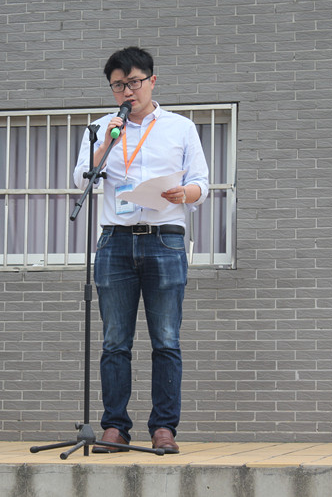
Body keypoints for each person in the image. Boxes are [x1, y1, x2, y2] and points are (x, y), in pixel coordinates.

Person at [73, 46, 209, 454]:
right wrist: (107, 142)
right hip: (115, 240)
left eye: (133, 82)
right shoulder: (101, 128)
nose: (127, 91)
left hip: (164, 239)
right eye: (118, 86)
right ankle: (115, 427)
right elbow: (82, 178)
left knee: (165, 339)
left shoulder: (180, 127)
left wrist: (185, 192)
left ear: (152, 81)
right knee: (115, 340)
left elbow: (202, 184)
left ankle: (164, 428)